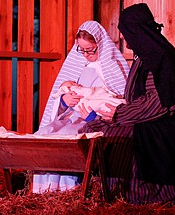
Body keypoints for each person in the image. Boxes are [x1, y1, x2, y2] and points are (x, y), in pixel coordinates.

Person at [81, 3, 175, 205]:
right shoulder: (145, 55)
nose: (122, 37)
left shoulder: (159, 56)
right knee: (94, 128)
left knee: (112, 135)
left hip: (162, 128)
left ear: (135, 31)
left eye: (125, 31)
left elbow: (160, 101)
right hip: (145, 120)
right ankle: (108, 188)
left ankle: (140, 193)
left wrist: (119, 114)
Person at [32, 20, 130, 193]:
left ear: (100, 45)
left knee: (67, 136)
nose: (85, 54)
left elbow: (119, 103)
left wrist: (93, 118)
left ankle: (67, 191)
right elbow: (62, 97)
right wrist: (64, 100)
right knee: (45, 133)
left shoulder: (113, 68)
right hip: (72, 118)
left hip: (95, 121)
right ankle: (45, 190)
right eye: (81, 49)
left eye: (90, 50)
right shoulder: (79, 66)